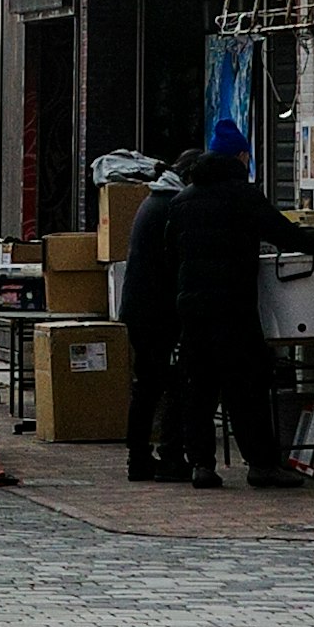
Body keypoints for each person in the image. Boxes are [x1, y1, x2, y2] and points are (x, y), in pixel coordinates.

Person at [162, 117, 314, 490]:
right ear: (242, 156)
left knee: (198, 389)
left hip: (193, 308)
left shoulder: (182, 201)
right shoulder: (243, 196)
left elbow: (171, 255)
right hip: (233, 307)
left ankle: (202, 464)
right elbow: (284, 233)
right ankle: (261, 465)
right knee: (246, 388)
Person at [117, 155, 197, 481]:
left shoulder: (155, 200)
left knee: (146, 386)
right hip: (158, 311)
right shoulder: (172, 206)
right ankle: (168, 456)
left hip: (140, 308)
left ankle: (139, 458)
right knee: (168, 385)